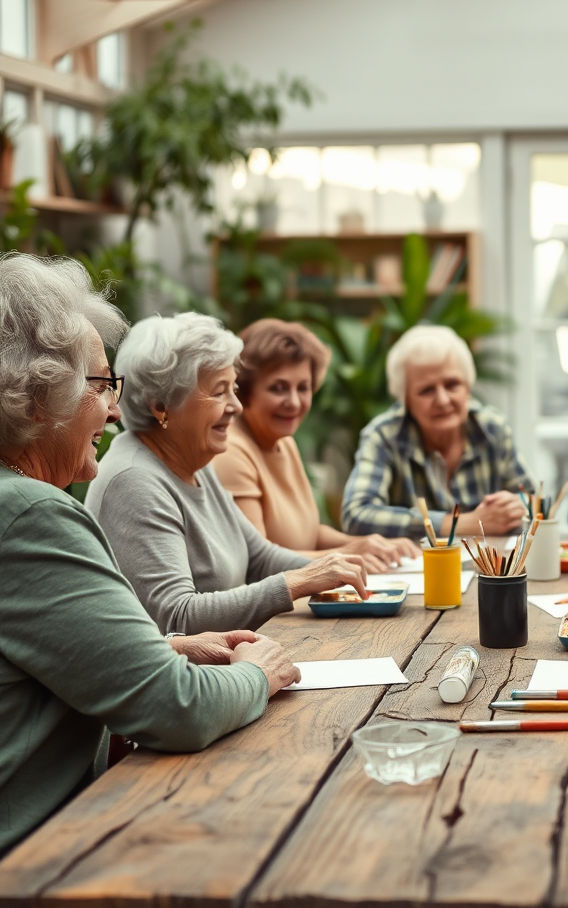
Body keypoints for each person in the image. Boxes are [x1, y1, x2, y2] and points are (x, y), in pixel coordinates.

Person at [0, 253, 300, 856]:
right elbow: (176, 707)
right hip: (37, 856)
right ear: (36, 399)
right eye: (101, 385)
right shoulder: (30, 516)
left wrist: (159, 647)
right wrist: (257, 676)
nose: (116, 409)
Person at [86, 312, 369, 635]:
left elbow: (260, 556)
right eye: (219, 392)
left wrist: (334, 568)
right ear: (161, 405)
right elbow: (176, 617)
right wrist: (298, 582)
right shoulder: (134, 480)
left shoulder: (195, 461)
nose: (236, 406)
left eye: (233, 389)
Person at [214, 319, 419, 572]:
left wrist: (364, 544)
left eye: (303, 388)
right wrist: (347, 554)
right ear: (245, 390)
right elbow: (258, 561)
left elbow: (307, 533)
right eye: (278, 388)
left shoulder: (284, 442)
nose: (294, 402)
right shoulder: (231, 452)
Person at [342, 324, 534, 540]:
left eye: (452, 384)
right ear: (405, 399)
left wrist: (517, 506)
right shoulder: (384, 436)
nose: (442, 401)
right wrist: (460, 523)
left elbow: (534, 501)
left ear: (468, 387)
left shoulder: (492, 428)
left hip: (492, 569)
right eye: (426, 390)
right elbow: (355, 515)